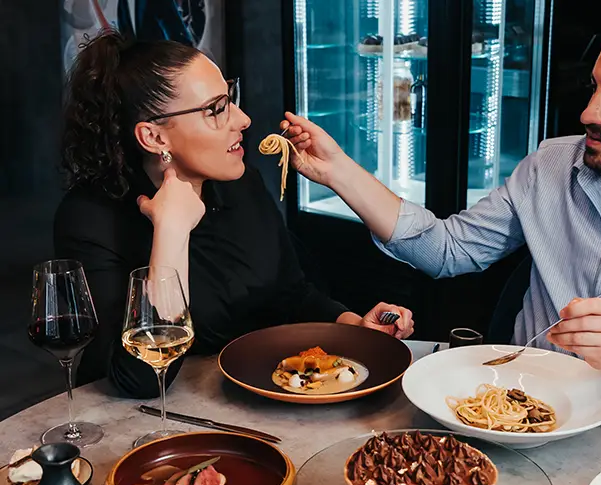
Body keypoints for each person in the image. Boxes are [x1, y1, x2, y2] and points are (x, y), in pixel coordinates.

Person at [278, 8, 601, 407]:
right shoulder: (551, 165)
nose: (589, 112)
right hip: (513, 405)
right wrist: (338, 171)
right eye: (594, 88)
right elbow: (445, 249)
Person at [55, 30, 413, 399]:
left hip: (255, 401)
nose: (242, 119)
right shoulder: (90, 219)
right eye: (216, 109)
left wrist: (354, 326)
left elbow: (292, 295)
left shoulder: (240, 182)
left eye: (231, 99)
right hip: (147, 420)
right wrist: (172, 231)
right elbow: (140, 380)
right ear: (154, 137)